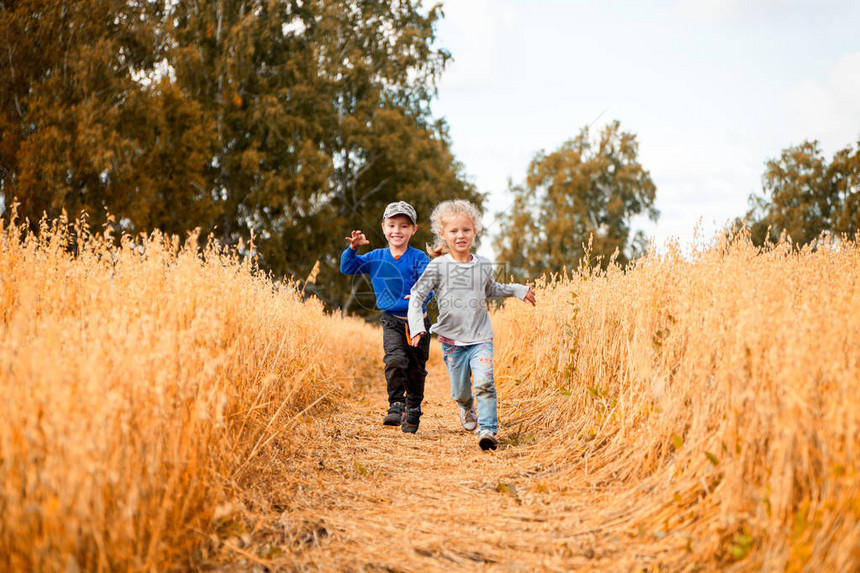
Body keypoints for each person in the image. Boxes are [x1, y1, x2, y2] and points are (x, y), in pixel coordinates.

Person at [407, 200, 535, 450]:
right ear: (442, 235)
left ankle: (487, 429)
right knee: (460, 392)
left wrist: (518, 290)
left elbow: (491, 289)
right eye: (453, 231)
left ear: (475, 231)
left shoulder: (483, 264)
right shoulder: (438, 267)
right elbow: (417, 295)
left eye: (466, 230)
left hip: (480, 338)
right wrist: (416, 327)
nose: (460, 235)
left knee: (485, 382)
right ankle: (467, 408)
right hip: (451, 341)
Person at [341, 201, 432, 433]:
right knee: (394, 360)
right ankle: (396, 405)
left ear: (414, 230)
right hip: (391, 320)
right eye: (392, 225)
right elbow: (348, 268)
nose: (397, 231)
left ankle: (413, 409)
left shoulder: (419, 258)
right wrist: (353, 248)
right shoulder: (376, 257)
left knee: (416, 369)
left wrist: (420, 296)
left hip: (417, 321)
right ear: (383, 227)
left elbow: (431, 284)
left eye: (403, 226)